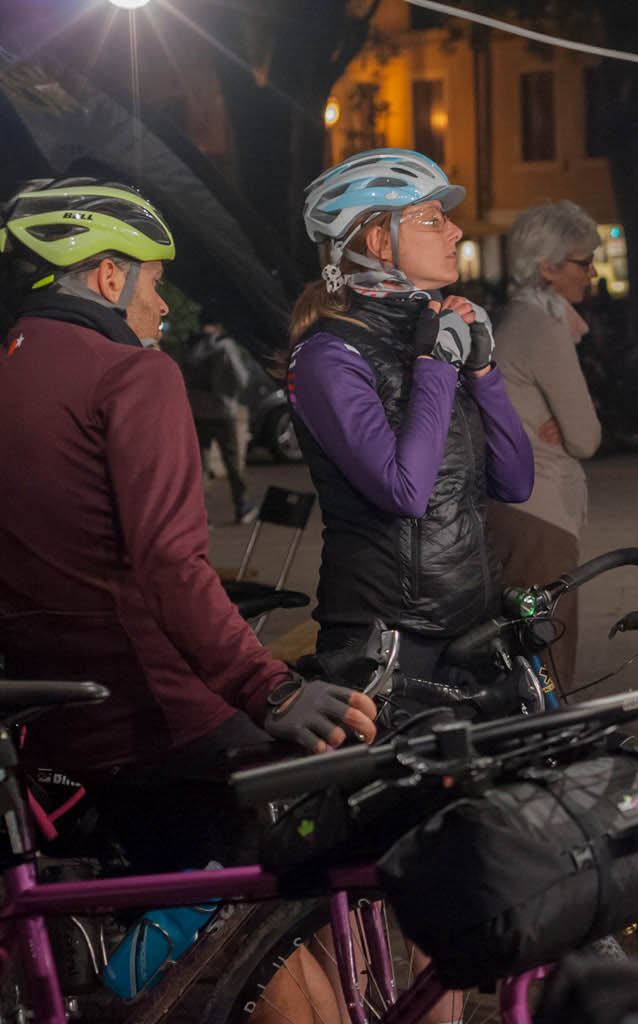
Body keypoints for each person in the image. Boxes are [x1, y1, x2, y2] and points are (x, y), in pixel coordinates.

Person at [0, 176, 377, 867]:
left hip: (49, 725)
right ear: (108, 275)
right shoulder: (133, 375)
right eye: (153, 280)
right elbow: (171, 564)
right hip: (157, 716)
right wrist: (272, 688)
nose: (163, 303)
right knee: (292, 886)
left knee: (137, 904)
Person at [286, 148, 532, 683]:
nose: (455, 232)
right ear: (379, 242)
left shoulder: (433, 330)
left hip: (473, 626)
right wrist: (437, 366)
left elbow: (516, 482)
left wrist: (484, 372)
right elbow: (404, 493)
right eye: (433, 219)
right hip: (388, 642)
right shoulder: (329, 356)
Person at [491, 200, 605, 690]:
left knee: (527, 655)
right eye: (584, 262)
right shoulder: (542, 326)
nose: (592, 273)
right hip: (540, 513)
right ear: (547, 266)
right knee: (549, 662)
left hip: (516, 506)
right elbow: (587, 437)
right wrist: (570, 418)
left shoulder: (520, 317)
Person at [184, 319, 258, 524]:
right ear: (217, 326)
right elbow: (241, 378)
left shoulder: (193, 346)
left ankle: (202, 515)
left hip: (198, 411)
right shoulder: (225, 346)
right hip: (223, 411)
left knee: (201, 465)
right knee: (233, 462)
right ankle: (242, 506)